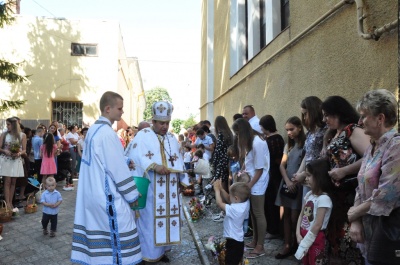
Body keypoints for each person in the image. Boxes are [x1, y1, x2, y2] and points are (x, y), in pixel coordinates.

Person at [71, 91, 142, 265]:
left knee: (100, 235)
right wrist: (133, 196)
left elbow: (101, 159)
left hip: (92, 193)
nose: (122, 112)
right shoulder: (108, 134)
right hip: (106, 196)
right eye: (120, 108)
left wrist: (124, 160)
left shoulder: (95, 129)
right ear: (108, 109)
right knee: (123, 232)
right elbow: (117, 170)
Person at [125, 101, 183, 263]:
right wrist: (154, 166)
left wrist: (183, 182)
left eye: (167, 123)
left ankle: (162, 252)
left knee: (166, 221)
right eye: (161, 123)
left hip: (169, 190)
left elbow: (178, 161)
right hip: (151, 190)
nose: (165, 126)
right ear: (154, 121)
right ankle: (147, 255)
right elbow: (134, 158)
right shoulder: (143, 136)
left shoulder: (172, 138)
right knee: (149, 222)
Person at [348, 89, 400, 264]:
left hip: (386, 233)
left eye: (364, 116)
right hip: (368, 231)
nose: (360, 121)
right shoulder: (372, 147)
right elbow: (360, 185)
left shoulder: (396, 146)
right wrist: (355, 219)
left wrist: (355, 212)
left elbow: (386, 194)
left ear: (380, 118)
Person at [321, 96, 370, 264]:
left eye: (327, 115)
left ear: (338, 113)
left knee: (349, 242)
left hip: (351, 194)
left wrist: (344, 171)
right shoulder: (334, 134)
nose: (324, 119)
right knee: (335, 242)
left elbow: (371, 157)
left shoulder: (352, 130)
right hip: (336, 197)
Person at [232, 118, 269, 259]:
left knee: (258, 213)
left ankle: (260, 246)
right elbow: (249, 162)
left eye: (237, 133)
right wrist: (241, 171)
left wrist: (249, 185)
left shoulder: (257, 142)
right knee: (253, 212)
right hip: (252, 180)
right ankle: (255, 240)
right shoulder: (250, 141)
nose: (236, 136)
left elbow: (260, 169)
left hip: (257, 182)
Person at [274, 116, 306, 259]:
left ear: (299, 127)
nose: (289, 133)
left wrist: (295, 181)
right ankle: (287, 244)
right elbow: (282, 165)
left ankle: (297, 244)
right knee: (285, 215)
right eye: (287, 130)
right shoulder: (289, 146)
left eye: (291, 129)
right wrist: (287, 180)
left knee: (295, 217)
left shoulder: (306, 145)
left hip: (299, 184)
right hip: (287, 183)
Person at [295, 159, 333, 264]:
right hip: (303, 236)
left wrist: (305, 243)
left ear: (319, 177)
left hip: (315, 238)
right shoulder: (309, 195)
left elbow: (318, 225)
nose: (306, 179)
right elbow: (301, 215)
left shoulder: (324, 199)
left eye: (309, 176)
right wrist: (298, 234)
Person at [293, 96, 327, 200]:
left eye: (305, 114)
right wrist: (298, 173)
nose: (303, 118)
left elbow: (323, 157)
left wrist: (304, 174)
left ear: (313, 111)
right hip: (307, 180)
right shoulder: (310, 133)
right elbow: (308, 155)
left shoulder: (325, 131)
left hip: (318, 179)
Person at [213, 179, 251, 265]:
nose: (229, 197)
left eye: (230, 195)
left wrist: (217, 190)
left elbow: (219, 203)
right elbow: (230, 200)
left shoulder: (235, 209)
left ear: (236, 198)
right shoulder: (244, 203)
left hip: (234, 243)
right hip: (237, 241)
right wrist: (222, 189)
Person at [259, 114, 284, 240]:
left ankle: (273, 230)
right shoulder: (273, 138)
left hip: (273, 175)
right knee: (269, 202)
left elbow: (275, 159)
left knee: (272, 202)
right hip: (272, 174)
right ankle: (271, 228)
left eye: (262, 127)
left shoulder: (274, 140)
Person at [0, 117, 27, 210]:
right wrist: (5, 151)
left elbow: (24, 149)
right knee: (7, 181)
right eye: (6, 124)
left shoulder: (22, 135)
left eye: (8, 124)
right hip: (6, 160)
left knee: (13, 182)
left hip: (16, 160)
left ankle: (11, 202)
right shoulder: (4, 135)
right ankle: (7, 203)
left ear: (14, 125)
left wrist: (19, 153)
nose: (7, 126)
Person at [212, 116, 233, 193]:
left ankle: (223, 203)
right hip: (228, 161)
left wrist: (214, 163)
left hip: (221, 163)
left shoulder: (221, 134)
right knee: (227, 183)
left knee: (221, 186)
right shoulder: (229, 133)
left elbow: (218, 151)